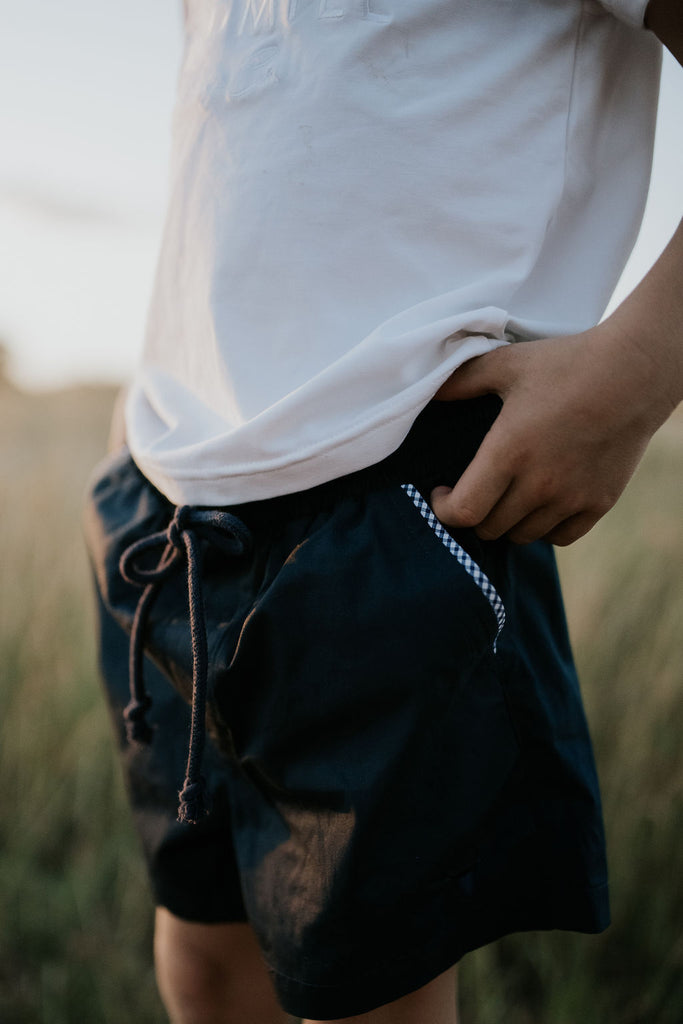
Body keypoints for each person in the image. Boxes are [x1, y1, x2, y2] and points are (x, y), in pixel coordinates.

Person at [84, 1, 682, 1021]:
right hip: (162, 504)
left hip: (386, 501)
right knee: (202, 955)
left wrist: (631, 379)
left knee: (365, 1002)